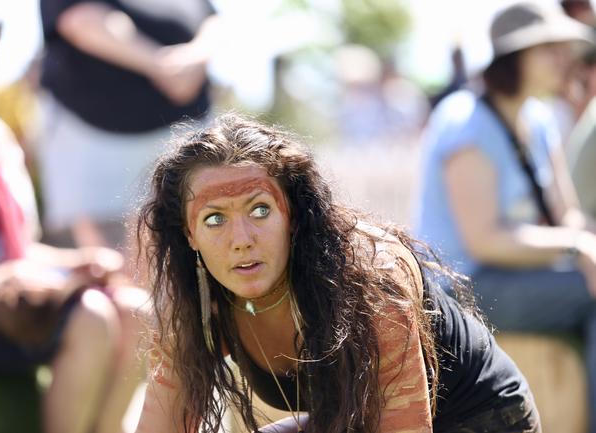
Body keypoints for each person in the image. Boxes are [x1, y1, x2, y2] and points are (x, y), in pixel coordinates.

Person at [133, 113, 540, 433]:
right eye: (214, 219)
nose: (241, 239)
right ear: (189, 234)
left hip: (485, 420)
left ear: (291, 215)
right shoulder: (198, 302)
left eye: (260, 210)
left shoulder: (371, 280)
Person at [0, 2, 148, 432]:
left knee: (138, 312)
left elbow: (17, 247)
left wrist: (75, 262)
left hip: (7, 296)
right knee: (91, 316)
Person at [413, 3, 596, 432]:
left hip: (516, 277)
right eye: (548, 49)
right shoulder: (466, 120)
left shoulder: (539, 119)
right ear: (513, 58)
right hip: (462, 290)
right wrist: (575, 245)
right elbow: (485, 240)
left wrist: (583, 238)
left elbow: (565, 215)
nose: (564, 60)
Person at [37, 0, 218, 250]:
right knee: (104, 269)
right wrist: (162, 65)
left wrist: (196, 56)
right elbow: (79, 19)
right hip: (93, 142)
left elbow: (212, 18)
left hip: (186, 136)